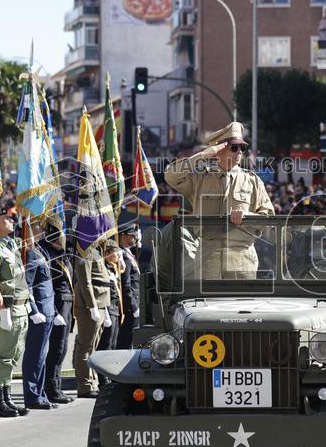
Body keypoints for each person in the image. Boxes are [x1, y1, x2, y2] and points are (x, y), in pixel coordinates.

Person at [164, 122, 275, 279]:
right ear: (218, 150)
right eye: (234, 147)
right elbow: (170, 176)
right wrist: (202, 155)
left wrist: (247, 216)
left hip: (241, 260)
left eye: (242, 148)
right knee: (208, 304)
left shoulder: (253, 181)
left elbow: (269, 220)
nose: (239, 152)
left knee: (241, 304)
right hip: (207, 260)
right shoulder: (200, 179)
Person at [0, 205, 31, 417]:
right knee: (3, 356)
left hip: (21, 307)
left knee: (14, 355)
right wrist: (2, 312)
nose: (11, 221)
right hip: (9, 309)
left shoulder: (10, 245)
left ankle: (7, 398)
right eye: (6, 218)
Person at [39, 216, 74, 404]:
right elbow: (48, 285)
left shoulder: (63, 254)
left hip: (68, 303)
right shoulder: (46, 253)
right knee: (56, 347)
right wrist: (55, 310)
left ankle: (56, 386)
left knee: (62, 347)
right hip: (58, 303)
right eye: (61, 234)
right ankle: (51, 388)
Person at [23, 220, 56, 410]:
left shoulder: (40, 251)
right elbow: (27, 285)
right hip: (40, 312)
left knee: (42, 355)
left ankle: (40, 393)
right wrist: (34, 311)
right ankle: (32, 395)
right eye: (37, 227)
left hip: (48, 310)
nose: (42, 230)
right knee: (35, 355)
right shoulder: (29, 253)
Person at [73, 239, 112, 398]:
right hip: (91, 307)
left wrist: (104, 308)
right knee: (86, 347)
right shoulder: (86, 251)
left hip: (100, 304)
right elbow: (85, 281)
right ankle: (85, 386)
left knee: (92, 348)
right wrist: (92, 306)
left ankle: (92, 382)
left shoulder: (95, 251)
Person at [116, 220, 142, 350]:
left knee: (131, 341)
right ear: (123, 236)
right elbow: (126, 284)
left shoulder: (128, 254)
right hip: (130, 307)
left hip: (135, 304)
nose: (135, 237)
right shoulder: (123, 256)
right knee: (126, 342)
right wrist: (133, 306)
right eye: (132, 235)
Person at [98, 240, 123, 351]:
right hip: (108, 308)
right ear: (107, 253)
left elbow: (122, 270)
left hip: (115, 309)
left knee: (113, 343)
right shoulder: (103, 269)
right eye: (115, 252)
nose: (118, 255)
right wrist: (106, 312)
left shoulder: (112, 268)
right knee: (106, 343)